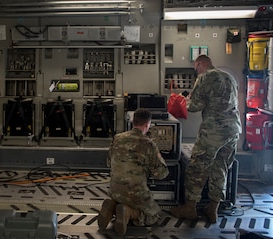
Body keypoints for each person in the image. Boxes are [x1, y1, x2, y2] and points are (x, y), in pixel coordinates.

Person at [170, 54, 242, 223]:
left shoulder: (205, 77)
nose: (196, 72)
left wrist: (184, 100)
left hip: (213, 132)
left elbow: (195, 106)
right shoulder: (229, 77)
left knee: (197, 167)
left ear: (201, 64)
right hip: (232, 130)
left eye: (196, 68)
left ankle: (190, 207)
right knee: (221, 168)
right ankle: (213, 208)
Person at [98, 108, 169, 235]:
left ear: (133, 122)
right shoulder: (148, 144)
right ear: (147, 124)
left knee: (122, 197)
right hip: (136, 193)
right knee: (153, 215)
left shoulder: (117, 138)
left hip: (115, 191)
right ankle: (128, 212)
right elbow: (160, 174)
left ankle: (112, 206)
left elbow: (109, 162)